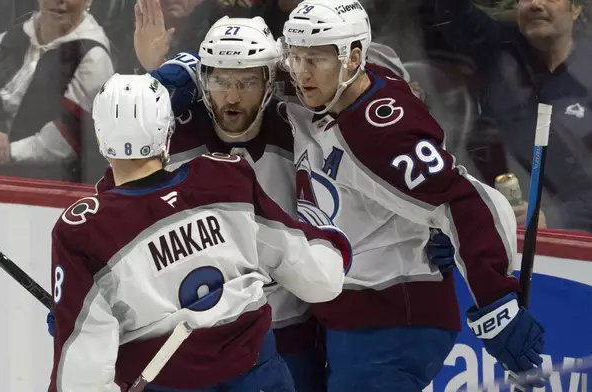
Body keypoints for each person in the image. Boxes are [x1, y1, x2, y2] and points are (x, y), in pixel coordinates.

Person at [279, 1, 545, 391]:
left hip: (392, 320)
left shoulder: (381, 130)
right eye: (295, 57)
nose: (301, 73)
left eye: (315, 59)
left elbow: (464, 200)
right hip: (348, 314)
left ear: (354, 58)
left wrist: (495, 301)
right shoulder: (332, 91)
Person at [48, 72, 352, 392]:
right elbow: (321, 279)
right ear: (167, 129)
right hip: (260, 378)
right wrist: (334, 252)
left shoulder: (85, 230)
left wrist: (72, 317)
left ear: (100, 136)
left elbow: (80, 378)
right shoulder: (223, 178)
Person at [432, 0, 592, 232]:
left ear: (576, 9)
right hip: (484, 219)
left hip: (562, 245)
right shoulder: (498, 47)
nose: (536, 4)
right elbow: (456, 13)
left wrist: (556, 219)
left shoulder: (586, 74)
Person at [0, 0, 114, 182]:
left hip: (48, 186)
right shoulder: (8, 40)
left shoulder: (94, 59)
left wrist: (7, 153)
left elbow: (68, 137)